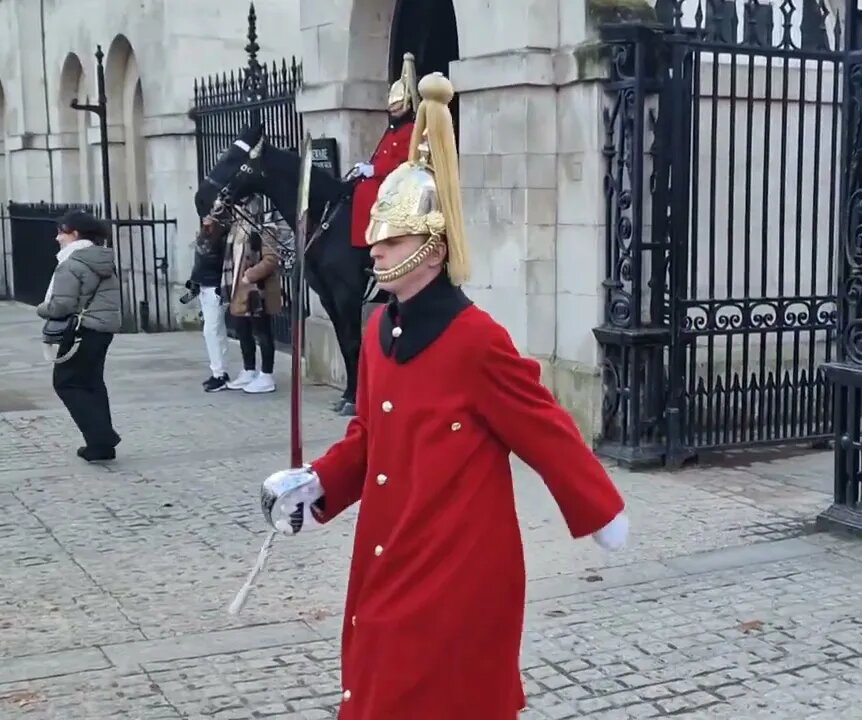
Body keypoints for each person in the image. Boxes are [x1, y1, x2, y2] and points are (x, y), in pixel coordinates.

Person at [257, 74, 628, 720]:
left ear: (432, 246)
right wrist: (317, 485)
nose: (375, 248)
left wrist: (597, 508)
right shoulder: (377, 332)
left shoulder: (476, 339)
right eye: (376, 236)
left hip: (460, 568)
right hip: (392, 550)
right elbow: (369, 438)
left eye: (392, 239)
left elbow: (544, 427)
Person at [36, 210, 122, 462]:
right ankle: (101, 446)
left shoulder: (72, 263)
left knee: (67, 383)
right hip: (102, 329)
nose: (57, 237)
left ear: (74, 233)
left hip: (80, 331)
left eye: (61, 232)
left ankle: (101, 438)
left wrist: (41, 309)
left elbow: (60, 306)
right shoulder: (101, 258)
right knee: (92, 383)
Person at [349, 52, 418, 249]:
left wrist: (375, 170)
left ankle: (370, 242)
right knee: (356, 188)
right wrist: (367, 167)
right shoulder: (394, 130)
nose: (393, 114)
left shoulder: (410, 130)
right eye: (392, 111)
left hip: (399, 182)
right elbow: (382, 155)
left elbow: (403, 161)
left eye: (397, 110)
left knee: (366, 191)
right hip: (385, 177)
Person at [225, 195, 281, 394]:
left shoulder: (265, 228)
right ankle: (249, 370)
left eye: (241, 206)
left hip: (259, 290)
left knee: (263, 331)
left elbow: (271, 259)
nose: (237, 210)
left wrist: (250, 276)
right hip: (238, 290)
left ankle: (267, 375)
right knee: (243, 331)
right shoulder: (236, 229)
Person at [184, 214, 231, 392]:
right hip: (204, 286)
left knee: (211, 331)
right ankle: (219, 371)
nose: (205, 219)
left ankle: (219, 373)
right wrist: (194, 283)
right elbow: (198, 264)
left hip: (214, 287)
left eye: (210, 217)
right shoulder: (204, 237)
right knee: (215, 331)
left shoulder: (221, 239)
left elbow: (220, 264)